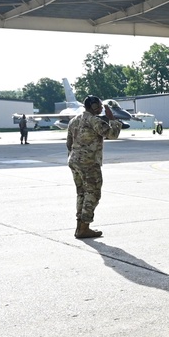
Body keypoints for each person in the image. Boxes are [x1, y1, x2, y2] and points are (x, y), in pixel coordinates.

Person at [66, 95, 122, 239]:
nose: (102, 108)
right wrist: (112, 119)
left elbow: (69, 143)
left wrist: (75, 157)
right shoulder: (94, 120)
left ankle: (80, 226)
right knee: (93, 194)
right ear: (94, 107)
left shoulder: (74, 120)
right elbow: (112, 135)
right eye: (100, 106)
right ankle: (84, 227)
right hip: (88, 163)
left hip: (74, 161)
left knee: (82, 193)